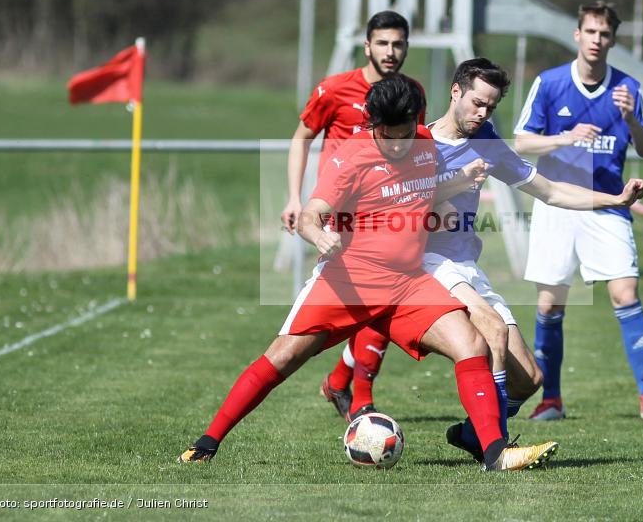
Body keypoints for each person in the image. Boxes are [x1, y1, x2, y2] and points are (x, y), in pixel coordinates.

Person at [179, 75, 559, 471]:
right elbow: (312, 215)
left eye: (405, 134)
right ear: (374, 124)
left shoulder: (425, 143)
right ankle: (206, 443)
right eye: (388, 136)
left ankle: (496, 454)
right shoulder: (351, 156)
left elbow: (422, 191)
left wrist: (452, 193)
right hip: (349, 281)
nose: (397, 144)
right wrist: (318, 237)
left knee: (473, 344)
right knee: (282, 357)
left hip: (407, 284)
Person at [423, 57, 643, 461]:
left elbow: (550, 190)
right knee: (491, 329)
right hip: (427, 264)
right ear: (455, 91)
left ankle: (476, 434)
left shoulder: (488, 142)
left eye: (491, 107)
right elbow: (397, 202)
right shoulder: (419, 142)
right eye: (477, 103)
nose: (483, 113)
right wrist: (455, 182)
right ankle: (497, 450)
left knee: (529, 379)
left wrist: (615, 199)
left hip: (465, 267)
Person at [513, 1, 643, 422]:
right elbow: (521, 142)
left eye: (604, 35)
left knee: (625, 294)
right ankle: (551, 400)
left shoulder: (628, 89)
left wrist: (632, 120)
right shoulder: (549, 84)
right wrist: (564, 138)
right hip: (558, 204)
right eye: (590, 32)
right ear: (577, 35)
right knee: (550, 306)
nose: (596, 41)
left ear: (613, 40)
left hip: (608, 205)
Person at [281, 11, 423, 422]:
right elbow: (301, 137)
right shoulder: (334, 89)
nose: (390, 51)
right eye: (382, 43)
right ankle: (354, 390)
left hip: (388, 213)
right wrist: (295, 198)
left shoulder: (411, 92)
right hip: (339, 216)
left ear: (406, 47)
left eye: (398, 44)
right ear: (367, 46)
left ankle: (348, 386)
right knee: (362, 304)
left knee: (382, 300)